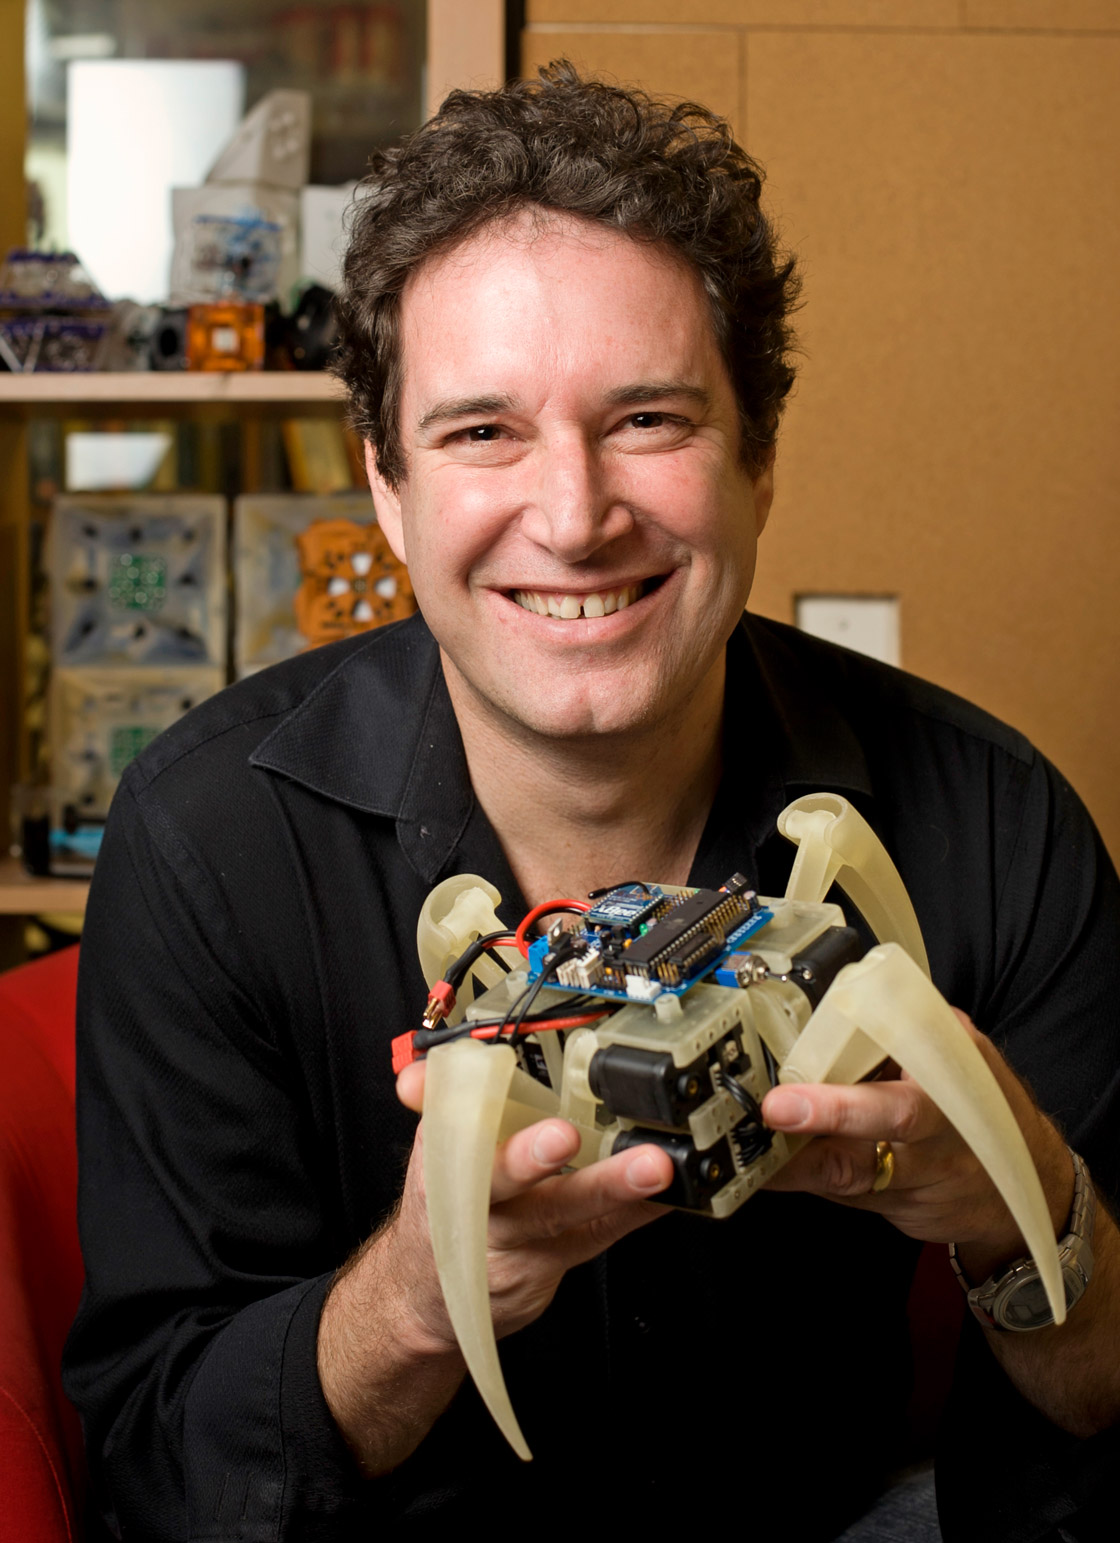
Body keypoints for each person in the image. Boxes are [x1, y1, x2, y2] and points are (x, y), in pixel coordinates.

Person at [64, 64, 1120, 1541]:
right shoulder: (205, 846)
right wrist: (423, 1298)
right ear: (386, 483)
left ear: (760, 455)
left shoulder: (997, 828)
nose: (572, 517)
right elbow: (162, 1470)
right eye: (482, 431)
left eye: (649, 420)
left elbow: (1093, 1449)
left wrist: (1030, 1213)